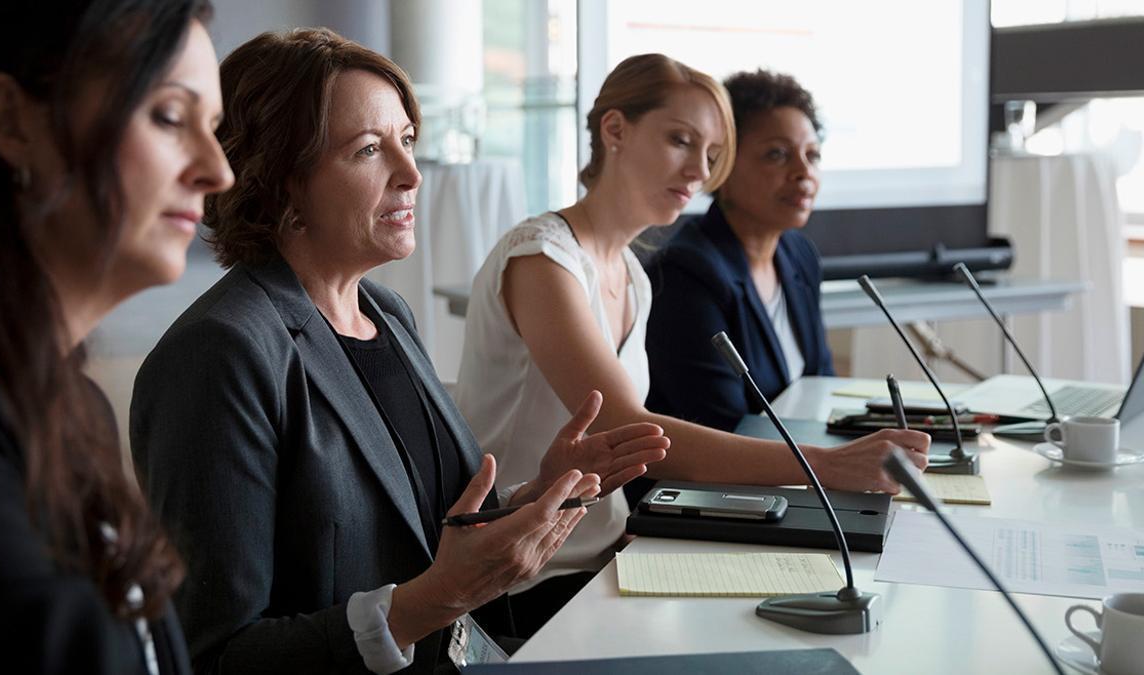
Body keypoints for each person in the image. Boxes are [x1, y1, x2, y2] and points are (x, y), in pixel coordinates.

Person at [129, 29, 668, 675]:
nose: (412, 174)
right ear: (280, 180)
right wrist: (437, 600)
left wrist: (533, 498)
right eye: (367, 150)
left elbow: (420, 532)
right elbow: (218, 656)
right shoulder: (222, 352)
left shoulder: (386, 312)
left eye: (407, 141)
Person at [455, 54, 932, 634]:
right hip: (523, 580)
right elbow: (625, 429)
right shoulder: (542, 258)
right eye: (680, 141)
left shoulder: (632, 274)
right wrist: (828, 466)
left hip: (604, 559)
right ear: (615, 130)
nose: (699, 172)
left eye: (711, 156)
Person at [0, 0, 234, 672]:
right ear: (14, 122)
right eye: (168, 116)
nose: (218, 170)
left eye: (213, 128)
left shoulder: (75, 409)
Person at [647, 69, 834, 430]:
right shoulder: (686, 272)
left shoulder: (800, 255)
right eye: (777, 154)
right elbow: (720, 424)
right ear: (722, 166)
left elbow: (822, 383)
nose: (802, 172)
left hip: (798, 466)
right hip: (717, 480)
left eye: (812, 156)